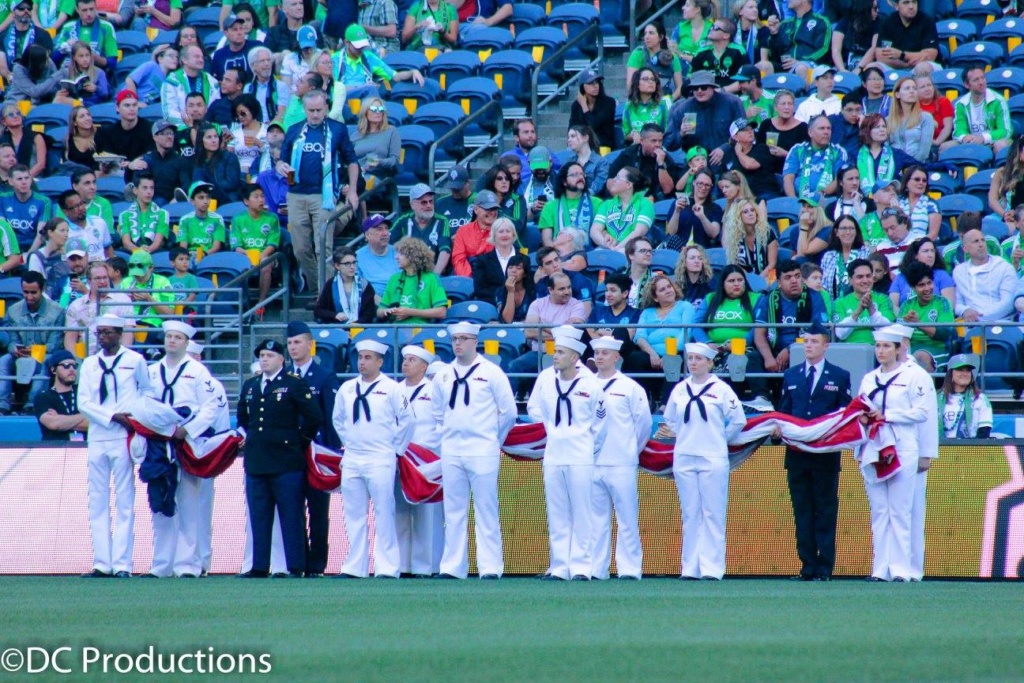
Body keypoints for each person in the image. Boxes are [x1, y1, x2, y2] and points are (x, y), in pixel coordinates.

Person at [430, 322, 517, 579]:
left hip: (482, 447)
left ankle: (490, 567)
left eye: (464, 339)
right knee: (453, 510)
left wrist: (493, 439)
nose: (458, 344)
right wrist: (444, 439)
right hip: (452, 449)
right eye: (455, 339)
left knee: (485, 507)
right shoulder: (444, 375)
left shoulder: (492, 372)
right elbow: (437, 413)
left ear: (475, 342)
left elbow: (509, 412)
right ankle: (453, 566)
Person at [236, 338, 322, 578]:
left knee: (291, 514)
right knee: (259, 515)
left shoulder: (293, 384)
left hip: (286, 460)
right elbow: (243, 417)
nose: (264, 359)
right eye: (262, 355)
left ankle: (296, 566)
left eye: (270, 356)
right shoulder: (252, 385)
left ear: (281, 360)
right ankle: (259, 566)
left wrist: (298, 441)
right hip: (257, 459)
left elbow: (314, 417)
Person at [773, 321, 852, 581]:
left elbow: (844, 414)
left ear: (826, 345)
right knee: (802, 511)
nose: (809, 346)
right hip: (797, 455)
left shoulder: (839, 375)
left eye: (814, 341)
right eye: (805, 341)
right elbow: (784, 411)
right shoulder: (792, 375)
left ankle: (825, 567)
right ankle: (807, 566)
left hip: (825, 456)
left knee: (826, 510)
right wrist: (776, 430)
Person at [77, 314, 154, 578]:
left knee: (124, 499)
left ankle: (122, 563)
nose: (103, 337)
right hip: (98, 434)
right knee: (97, 499)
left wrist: (133, 416)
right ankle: (102, 562)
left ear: (119, 334)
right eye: (100, 333)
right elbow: (83, 402)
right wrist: (111, 416)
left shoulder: (134, 361)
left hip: (124, 436)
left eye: (108, 332)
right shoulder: (89, 364)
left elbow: (147, 392)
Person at [662, 342, 746, 580]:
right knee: (690, 513)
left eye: (699, 359)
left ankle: (712, 568)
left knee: (712, 513)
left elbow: (737, 420)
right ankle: (690, 567)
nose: (694, 363)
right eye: (691, 359)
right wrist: (685, 436)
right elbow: (670, 418)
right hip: (685, 455)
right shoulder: (679, 389)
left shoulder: (721, 389)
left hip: (712, 456)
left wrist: (720, 439)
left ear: (710, 362)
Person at [527, 333, 606, 581]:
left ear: (574, 357)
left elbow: (600, 423)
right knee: (557, 512)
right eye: (555, 351)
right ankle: (560, 566)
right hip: (554, 454)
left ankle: (582, 566)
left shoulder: (591, 384)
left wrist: (587, 448)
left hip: (580, 454)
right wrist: (553, 434)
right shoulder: (548, 382)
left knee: (582, 512)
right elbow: (538, 410)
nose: (555, 355)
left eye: (560, 352)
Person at [145, 321, 220, 579]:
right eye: (169, 337)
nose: (172, 341)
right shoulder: (152, 371)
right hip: (158, 441)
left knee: (189, 503)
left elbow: (210, 408)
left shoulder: (198, 372)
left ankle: (187, 564)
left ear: (186, 343)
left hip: (187, 440)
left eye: (178, 337)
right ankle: (161, 564)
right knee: (161, 502)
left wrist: (188, 430)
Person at [856, 328, 930, 582]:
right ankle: (880, 568)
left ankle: (901, 568)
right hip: (874, 446)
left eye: (887, 346)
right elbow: (860, 409)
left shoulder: (913, 376)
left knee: (900, 509)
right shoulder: (868, 378)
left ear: (899, 349)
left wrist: (889, 417)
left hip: (902, 445)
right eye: (878, 346)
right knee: (879, 510)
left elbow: (922, 413)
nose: (881, 351)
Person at [278, 90, 360, 293]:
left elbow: (352, 160)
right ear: (304, 109)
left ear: (326, 108)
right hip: (296, 194)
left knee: (323, 248)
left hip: (323, 195)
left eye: (319, 110)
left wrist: (353, 190)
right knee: (300, 249)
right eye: (311, 110)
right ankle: (321, 290)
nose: (315, 114)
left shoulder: (337, 129)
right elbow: (282, 160)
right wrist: (280, 166)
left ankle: (327, 296)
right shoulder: (294, 130)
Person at [588, 336, 651, 580]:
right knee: (596, 519)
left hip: (621, 460)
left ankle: (630, 568)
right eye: (598, 353)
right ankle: (596, 568)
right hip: (593, 461)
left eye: (606, 353)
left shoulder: (630, 387)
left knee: (627, 518)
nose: (601, 357)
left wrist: (630, 451)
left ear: (617, 357)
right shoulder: (586, 385)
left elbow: (643, 424)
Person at [283, 321, 339, 578]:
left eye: (298, 342)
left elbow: (331, 418)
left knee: (318, 511)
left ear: (309, 343)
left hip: (317, 453)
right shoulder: (283, 376)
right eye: (290, 343)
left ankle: (317, 565)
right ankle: (297, 563)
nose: (293, 348)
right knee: (292, 510)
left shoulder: (324, 376)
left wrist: (331, 454)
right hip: (290, 453)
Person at [394, 344, 444, 576]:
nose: (406, 364)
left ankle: (425, 566)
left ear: (424, 366)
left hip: (426, 457)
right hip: (400, 456)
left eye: (412, 360)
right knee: (401, 512)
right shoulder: (394, 390)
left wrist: (430, 452)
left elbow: (440, 424)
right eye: (405, 360)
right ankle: (402, 564)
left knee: (425, 515)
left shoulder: (434, 391)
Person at [752, 259, 829, 390]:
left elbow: (819, 332)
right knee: (751, 357)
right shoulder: (767, 299)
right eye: (788, 278)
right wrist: (769, 358)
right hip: (773, 349)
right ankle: (762, 398)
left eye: (797, 276)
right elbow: (759, 334)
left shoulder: (814, 297)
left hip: (803, 349)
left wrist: (791, 350)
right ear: (779, 283)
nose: (794, 281)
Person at [0, 271, 66, 414]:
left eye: (33, 292)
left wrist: (34, 350)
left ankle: (32, 404)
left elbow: (54, 344)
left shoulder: (57, 311)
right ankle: (2, 405)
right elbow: (12, 340)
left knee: (45, 360)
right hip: (21, 355)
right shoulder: (13, 311)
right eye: (25, 292)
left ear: (42, 290)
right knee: (4, 360)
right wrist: (15, 349)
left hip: (43, 354)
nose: (29, 297)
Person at [509, 272, 588, 391]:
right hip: (538, 352)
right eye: (562, 289)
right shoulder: (538, 304)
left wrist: (541, 325)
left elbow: (570, 335)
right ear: (550, 290)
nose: (567, 292)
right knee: (514, 366)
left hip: (565, 354)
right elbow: (529, 333)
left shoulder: (577, 305)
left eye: (569, 287)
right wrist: (561, 330)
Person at [624, 274, 696, 401]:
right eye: (662, 290)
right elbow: (639, 337)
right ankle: (644, 399)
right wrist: (652, 354)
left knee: (673, 360)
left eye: (669, 287)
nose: (668, 290)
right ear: (655, 297)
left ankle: (665, 404)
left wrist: (669, 353)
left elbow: (686, 332)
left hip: (676, 351)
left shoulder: (685, 306)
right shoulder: (647, 312)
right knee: (633, 359)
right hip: (652, 353)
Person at [336, 24, 424, 101]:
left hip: (365, 99)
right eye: (357, 47)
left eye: (362, 46)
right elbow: (333, 89)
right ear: (346, 43)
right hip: (342, 99)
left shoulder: (369, 57)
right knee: (371, 90)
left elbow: (396, 76)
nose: (360, 50)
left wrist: (412, 72)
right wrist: (362, 87)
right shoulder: (335, 60)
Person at [665, 71, 746, 155]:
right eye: (695, 88)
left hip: (728, 158)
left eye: (703, 87)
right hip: (696, 162)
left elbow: (744, 133)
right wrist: (681, 134)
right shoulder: (683, 109)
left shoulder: (732, 102)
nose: (699, 91)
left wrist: (725, 148)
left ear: (712, 87)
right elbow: (668, 143)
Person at [63, 261, 134, 355]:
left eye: (105, 277)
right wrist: (75, 362)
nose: (102, 282)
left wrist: (123, 357)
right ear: (88, 281)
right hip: (86, 358)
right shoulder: (76, 306)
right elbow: (70, 339)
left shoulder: (123, 300)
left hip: (116, 355)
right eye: (97, 278)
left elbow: (128, 332)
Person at [897, 261, 955, 372]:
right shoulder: (907, 305)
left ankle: (925, 389)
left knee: (920, 357)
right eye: (921, 285)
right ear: (913, 287)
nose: (927, 288)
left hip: (937, 348)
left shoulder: (942, 303)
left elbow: (945, 334)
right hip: (911, 348)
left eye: (929, 283)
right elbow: (900, 334)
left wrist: (918, 324)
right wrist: (906, 330)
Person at [230, 183, 280, 310]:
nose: (261, 200)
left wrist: (261, 256)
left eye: (262, 196)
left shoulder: (272, 218)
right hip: (244, 254)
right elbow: (236, 246)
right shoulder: (238, 219)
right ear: (246, 201)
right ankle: (241, 304)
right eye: (256, 197)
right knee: (238, 265)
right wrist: (248, 255)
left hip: (265, 255)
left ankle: (261, 304)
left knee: (265, 264)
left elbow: (273, 244)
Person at [377, 237, 448, 326]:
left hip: (421, 330)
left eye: (401, 254)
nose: (396, 257)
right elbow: (379, 311)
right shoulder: (394, 279)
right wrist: (386, 311)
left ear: (413, 256)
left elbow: (442, 312)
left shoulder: (431, 278)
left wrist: (410, 312)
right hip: (395, 329)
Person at [953, 228, 1017, 322]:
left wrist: (979, 318)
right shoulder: (959, 271)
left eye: (983, 240)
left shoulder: (1004, 267)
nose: (981, 244)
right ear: (965, 249)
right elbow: (958, 303)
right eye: (976, 241)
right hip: (971, 324)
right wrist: (965, 310)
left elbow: (1007, 304)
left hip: (1001, 323)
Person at [948, 66, 1013, 154]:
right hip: (971, 141)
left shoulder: (998, 101)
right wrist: (964, 137)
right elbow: (958, 130)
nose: (981, 82)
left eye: (983, 78)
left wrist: (983, 138)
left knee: (1000, 145)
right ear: (967, 85)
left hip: (993, 141)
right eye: (976, 80)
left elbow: (1005, 131)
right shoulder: (961, 104)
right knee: (945, 147)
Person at [609, 124, 680, 203]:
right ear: (642, 141)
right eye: (654, 141)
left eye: (660, 141)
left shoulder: (666, 158)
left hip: (656, 202)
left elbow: (667, 190)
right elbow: (611, 179)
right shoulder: (628, 154)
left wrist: (661, 164)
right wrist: (623, 201)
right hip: (630, 200)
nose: (658, 145)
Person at [783, 115, 849, 199]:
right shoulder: (797, 150)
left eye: (829, 128)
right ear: (810, 132)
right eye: (822, 128)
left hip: (826, 200)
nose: (826, 132)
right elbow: (788, 179)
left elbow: (839, 179)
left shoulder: (838, 152)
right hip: (798, 201)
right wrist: (793, 201)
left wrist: (817, 197)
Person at [539, 161, 602, 248]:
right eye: (575, 175)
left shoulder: (597, 203)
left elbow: (601, 231)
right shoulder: (550, 206)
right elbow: (547, 241)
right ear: (564, 182)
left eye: (582, 174)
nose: (580, 177)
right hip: (560, 254)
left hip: (589, 253)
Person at [712, 118, 779, 200]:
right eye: (745, 130)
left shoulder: (762, 148)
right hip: (740, 197)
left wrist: (739, 152)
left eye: (751, 129)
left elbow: (749, 165)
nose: (750, 132)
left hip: (765, 194)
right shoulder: (728, 155)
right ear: (735, 137)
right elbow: (721, 181)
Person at [833, 258, 896, 344]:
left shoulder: (883, 299)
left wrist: (871, 309)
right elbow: (840, 334)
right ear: (850, 280)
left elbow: (887, 330)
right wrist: (858, 311)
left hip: (878, 351)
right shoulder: (840, 302)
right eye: (860, 277)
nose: (865, 280)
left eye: (868, 276)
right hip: (849, 351)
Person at [591, 167, 655, 252]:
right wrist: (606, 244)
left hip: (634, 249)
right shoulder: (606, 204)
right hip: (609, 248)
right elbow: (594, 230)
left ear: (628, 185)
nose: (613, 180)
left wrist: (617, 249)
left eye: (618, 177)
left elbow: (638, 233)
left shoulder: (645, 204)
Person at [764, 0, 830, 82]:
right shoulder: (785, 24)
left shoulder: (821, 22)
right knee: (763, 65)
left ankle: (802, 94)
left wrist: (800, 60)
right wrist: (774, 34)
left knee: (800, 67)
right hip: (786, 64)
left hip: (809, 63)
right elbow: (774, 54)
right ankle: (768, 94)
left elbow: (823, 49)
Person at [95, 90, 156, 172]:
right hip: (116, 172)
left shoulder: (150, 128)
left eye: (134, 105)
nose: (131, 109)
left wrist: (131, 164)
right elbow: (105, 156)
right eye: (127, 105)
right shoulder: (108, 132)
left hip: (142, 172)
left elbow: (152, 155)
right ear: (117, 108)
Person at [160, 44, 221, 128]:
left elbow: (216, 109)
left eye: (202, 57)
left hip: (207, 130)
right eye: (196, 57)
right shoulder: (171, 81)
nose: (201, 60)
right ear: (184, 60)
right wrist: (191, 122)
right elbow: (168, 114)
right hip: (181, 130)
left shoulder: (211, 81)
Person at [34, 350, 88, 441]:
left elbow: (94, 424)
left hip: (84, 449)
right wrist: (85, 414)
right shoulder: (43, 397)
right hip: (54, 450)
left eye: (74, 366)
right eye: (66, 365)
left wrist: (62, 420)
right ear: (53, 370)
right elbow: (54, 424)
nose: (72, 369)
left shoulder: (84, 392)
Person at [315, 247, 376, 325]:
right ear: (337, 266)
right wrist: (335, 315)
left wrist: (355, 326)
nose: (352, 267)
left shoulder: (365, 285)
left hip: (360, 328)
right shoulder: (330, 284)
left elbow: (369, 314)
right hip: (337, 329)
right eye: (347, 264)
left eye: (354, 262)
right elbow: (319, 311)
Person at [664, 169, 722, 249]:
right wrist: (677, 211)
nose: (703, 188)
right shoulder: (679, 203)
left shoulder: (715, 208)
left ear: (711, 187)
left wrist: (702, 217)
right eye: (700, 184)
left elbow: (714, 234)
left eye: (707, 185)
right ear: (694, 182)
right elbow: (670, 233)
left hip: (701, 252)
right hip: (679, 250)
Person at [889, 237, 954, 309]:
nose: (930, 255)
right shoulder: (900, 278)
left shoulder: (942, 275)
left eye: (932, 251)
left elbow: (948, 306)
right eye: (926, 251)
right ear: (915, 255)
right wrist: (905, 318)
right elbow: (892, 306)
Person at [586, 271, 640, 356]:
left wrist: (603, 333)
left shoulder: (635, 313)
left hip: (622, 355)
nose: (608, 294)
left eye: (613, 290)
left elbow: (627, 337)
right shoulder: (598, 311)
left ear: (625, 293)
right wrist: (609, 339)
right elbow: (589, 333)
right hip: (597, 351)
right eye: (606, 290)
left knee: (621, 330)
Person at [627, 21, 684, 101]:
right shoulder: (637, 55)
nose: (646, 37)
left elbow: (680, 86)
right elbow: (630, 84)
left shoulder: (673, 57)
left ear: (661, 37)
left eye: (651, 33)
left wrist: (668, 101)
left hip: (665, 101)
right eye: (645, 33)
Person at [938, 354, 992, 439]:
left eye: (968, 370)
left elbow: (984, 433)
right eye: (960, 369)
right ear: (950, 373)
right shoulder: (936, 399)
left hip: (970, 450)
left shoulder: (980, 399)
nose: (965, 374)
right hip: (940, 449)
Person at [54, 0, 117, 72]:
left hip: (94, 73)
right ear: (77, 10)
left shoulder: (106, 27)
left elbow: (113, 63)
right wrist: (65, 47)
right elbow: (54, 59)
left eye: (91, 9)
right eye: (84, 10)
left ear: (96, 7)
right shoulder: (68, 27)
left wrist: (94, 58)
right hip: (67, 72)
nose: (89, 14)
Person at [722, 197, 778, 279]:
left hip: (769, 273)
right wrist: (749, 280)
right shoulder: (734, 236)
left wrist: (758, 280)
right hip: (745, 278)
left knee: (772, 278)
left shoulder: (767, 232)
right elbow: (735, 264)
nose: (750, 214)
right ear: (738, 217)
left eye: (752, 210)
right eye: (745, 212)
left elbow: (772, 264)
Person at [0, 164, 52, 252]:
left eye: (27, 178)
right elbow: (3, 230)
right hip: (10, 247)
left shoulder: (44, 201)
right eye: (19, 179)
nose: (24, 182)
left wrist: (29, 255)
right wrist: (13, 255)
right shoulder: (2, 198)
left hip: (33, 248)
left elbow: (41, 235)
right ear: (10, 181)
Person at [755, 89, 809, 173]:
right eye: (783, 104)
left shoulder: (803, 128)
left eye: (790, 104)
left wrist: (785, 154)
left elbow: (806, 157)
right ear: (776, 107)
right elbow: (758, 150)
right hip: (767, 171)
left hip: (792, 172)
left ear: (793, 107)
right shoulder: (766, 124)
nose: (786, 107)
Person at [451, 190, 503, 277]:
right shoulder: (463, 231)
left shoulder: (502, 231)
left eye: (494, 209)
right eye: (487, 208)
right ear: (476, 209)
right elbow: (458, 259)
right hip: (467, 278)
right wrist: (470, 281)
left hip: (493, 278)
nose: (492, 212)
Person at [818, 214, 870, 301]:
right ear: (836, 232)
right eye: (844, 228)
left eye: (851, 228)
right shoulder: (829, 256)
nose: (848, 232)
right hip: (832, 306)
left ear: (856, 232)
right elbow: (822, 285)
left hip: (859, 304)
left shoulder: (865, 253)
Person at [875, 0, 939, 70]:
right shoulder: (887, 22)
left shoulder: (927, 21)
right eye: (906, 2)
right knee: (873, 67)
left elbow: (930, 55)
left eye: (914, 2)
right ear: (897, 6)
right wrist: (905, 65)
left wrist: (901, 55)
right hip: (897, 65)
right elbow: (881, 56)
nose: (911, 6)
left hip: (924, 65)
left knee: (922, 67)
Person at [351, 95, 400, 184]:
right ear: (365, 112)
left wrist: (380, 162)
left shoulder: (391, 131)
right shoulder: (355, 135)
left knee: (360, 184)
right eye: (374, 109)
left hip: (377, 174)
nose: (378, 112)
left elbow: (394, 160)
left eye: (381, 109)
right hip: (355, 174)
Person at [0, 0, 53, 81]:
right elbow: (1, 64)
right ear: (13, 13)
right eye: (21, 8)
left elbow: (46, 61)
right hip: (11, 83)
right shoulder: (3, 36)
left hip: (36, 81)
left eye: (29, 8)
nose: (26, 11)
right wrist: (9, 76)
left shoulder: (43, 35)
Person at [472, 217, 520, 303]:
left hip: (518, 304)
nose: (505, 235)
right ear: (494, 235)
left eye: (508, 231)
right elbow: (480, 290)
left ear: (513, 234)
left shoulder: (523, 258)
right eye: (501, 232)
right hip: (493, 304)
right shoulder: (483, 260)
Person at [118, 172, 169, 253]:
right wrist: (139, 251)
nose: (149, 192)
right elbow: (126, 242)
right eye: (145, 188)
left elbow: (158, 242)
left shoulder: (162, 214)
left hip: (153, 252)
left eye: (151, 188)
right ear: (135, 190)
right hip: (133, 252)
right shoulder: (124, 215)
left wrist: (148, 251)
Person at [192, 123, 242, 205]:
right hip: (206, 198)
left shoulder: (229, 157)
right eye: (209, 137)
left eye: (215, 136)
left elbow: (232, 183)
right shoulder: (198, 160)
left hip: (227, 198)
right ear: (201, 140)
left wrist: (209, 187)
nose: (214, 140)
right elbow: (196, 181)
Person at [567, 70, 617, 151]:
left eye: (597, 82)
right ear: (582, 86)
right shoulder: (576, 105)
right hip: (582, 146)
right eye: (590, 83)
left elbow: (594, 125)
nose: (595, 86)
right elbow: (572, 128)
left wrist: (584, 106)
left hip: (603, 146)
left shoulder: (609, 103)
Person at [888, 77, 934, 164]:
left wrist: (911, 166)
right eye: (907, 88)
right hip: (894, 165)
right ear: (897, 94)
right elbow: (885, 149)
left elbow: (924, 152)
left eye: (914, 88)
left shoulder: (925, 118)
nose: (912, 91)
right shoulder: (888, 120)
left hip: (917, 166)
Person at [176, 181, 225, 262]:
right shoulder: (184, 220)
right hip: (189, 256)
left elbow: (216, 247)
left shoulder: (218, 219)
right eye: (201, 197)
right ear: (192, 201)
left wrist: (204, 255)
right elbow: (183, 246)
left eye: (208, 197)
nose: (206, 201)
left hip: (209, 256)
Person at [692, 18, 746, 91]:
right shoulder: (701, 52)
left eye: (715, 28)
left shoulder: (738, 52)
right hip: (705, 94)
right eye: (711, 26)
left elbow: (743, 80)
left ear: (726, 35)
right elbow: (694, 78)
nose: (711, 29)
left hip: (732, 95)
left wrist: (721, 91)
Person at [53, 41, 108, 106]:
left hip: (92, 105)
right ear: (74, 57)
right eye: (81, 56)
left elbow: (105, 94)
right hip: (76, 103)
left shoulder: (99, 72)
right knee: (58, 98)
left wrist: (96, 88)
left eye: (87, 55)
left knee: (59, 100)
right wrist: (61, 93)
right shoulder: (68, 72)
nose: (85, 59)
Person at [226, 95, 268, 179]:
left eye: (243, 113)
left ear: (252, 110)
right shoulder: (234, 132)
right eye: (237, 114)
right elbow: (228, 155)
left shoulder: (266, 131)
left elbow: (272, 154)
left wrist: (259, 143)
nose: (240, 117)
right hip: (239, 174)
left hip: (261, 173)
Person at [831, 0, 879, 73]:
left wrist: (859, 68)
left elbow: (874, 48)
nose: (877, 11)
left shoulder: (878, 23)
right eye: (874, 8)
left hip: (867, 65)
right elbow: (836, 50)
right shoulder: (844, 22)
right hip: (845, 64)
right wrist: (842, 70)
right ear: (864, 9)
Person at [356, 214, 398, 295]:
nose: (385, 233)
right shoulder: (357, 257)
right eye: (379, 229)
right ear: (367, 235)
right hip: (372, 302)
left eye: (386, 229)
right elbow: (358, 287)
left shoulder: (399, 252)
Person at [211, 13, 260, 81]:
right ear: (226, 33)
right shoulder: (219, 55)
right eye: (235, 29)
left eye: (241, 28)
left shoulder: (256, 47)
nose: (239, 32)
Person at [563, 125, 609, 197]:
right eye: (568, 137)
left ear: (585, 138)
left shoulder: (601, 162)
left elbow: (596, 187)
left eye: (573, 136)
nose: (569, 140)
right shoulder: (569, 161)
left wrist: (580, 197)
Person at [988, 136, 1024, 222]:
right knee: (987, 224)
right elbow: (992, 200)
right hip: (1004, 215)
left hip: (1021, 217)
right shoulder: (1001, 173)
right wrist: (1005, 214)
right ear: (1019, 154)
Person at [793, 193, 837, 261]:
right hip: (804, 269)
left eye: (810, 207)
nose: (805, 210)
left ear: (820, 211)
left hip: (821, 269)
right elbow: (797, 259)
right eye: (804, 206)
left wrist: (804, 227)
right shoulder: (795, 231)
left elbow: (804, 253)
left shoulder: (828, 230)